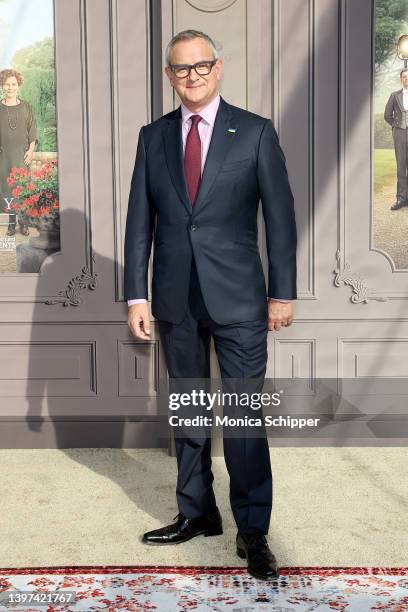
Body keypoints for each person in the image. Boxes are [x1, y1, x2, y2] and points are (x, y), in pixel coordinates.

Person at [124, 30, 297, 580]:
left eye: (201, 66)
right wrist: (137, 293)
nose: (192, 76)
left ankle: (253, 530)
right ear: (169, 76)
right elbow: (137, 226)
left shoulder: (254, 132)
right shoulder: (152, 138)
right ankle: (198, 513)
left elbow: (281, 221)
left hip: (241, 297)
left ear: (217, 69)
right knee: (190, 412)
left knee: (245, 417)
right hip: (176, 297)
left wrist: (282, 292)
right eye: (181, 69)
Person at [0, 69, 38, 235]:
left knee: (22, 189)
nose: (10, 87)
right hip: (3, 158)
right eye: (6, 84)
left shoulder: (26, 107)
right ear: (2, 86)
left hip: (22, 157)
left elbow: (33, 130)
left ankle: (23, 223)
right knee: (7, 190)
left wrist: (31, 151)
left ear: (18, 86)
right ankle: (11, 222)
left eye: (13, 84)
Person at [384, 68, 408, 210]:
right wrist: (397, 125)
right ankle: (401, 199)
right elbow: (387, 115)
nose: (406, 79)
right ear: (401, 79)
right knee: (401, 167)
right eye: (404, 77)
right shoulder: (394, 95)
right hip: (399, 134)